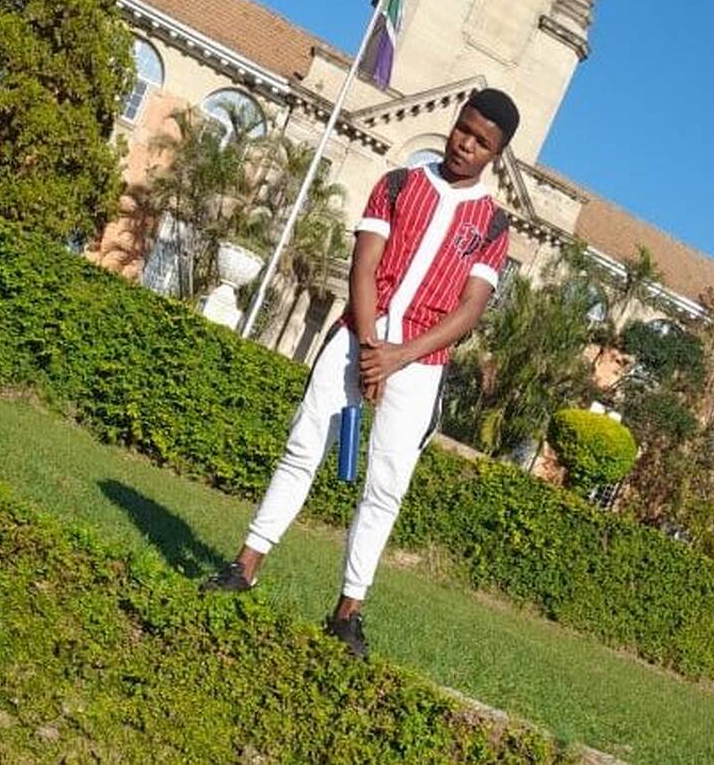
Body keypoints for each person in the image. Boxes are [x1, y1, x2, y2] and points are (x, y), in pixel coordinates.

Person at [201, 88, 520, 659]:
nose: (465, 145)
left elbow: (470, 309)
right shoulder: (398, 183)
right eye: (462, 130)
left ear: (495, 154)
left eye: (481, 142)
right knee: (302, 449)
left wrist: (398, 357)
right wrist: (372, 347)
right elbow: (365, 264)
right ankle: (245, 566)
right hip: (355, 337)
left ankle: (347, 613)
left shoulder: (493, 225)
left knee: (385, 488)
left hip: (421, 364)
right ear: (454, 123)